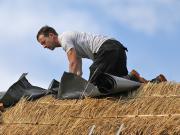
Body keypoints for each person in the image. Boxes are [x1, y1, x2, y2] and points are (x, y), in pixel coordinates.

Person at [36, 25, 167, 84]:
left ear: (52, 35)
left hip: (108, 49)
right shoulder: (74, 47)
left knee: (95, 79)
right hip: (117, 50)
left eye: (43, 42)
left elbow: (72, 63)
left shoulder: (65, 38)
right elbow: (78, 72)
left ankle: (133, 76)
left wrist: (68, 86)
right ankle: (152, 81)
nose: (44, 46)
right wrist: (77, 81)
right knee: (119, 85)